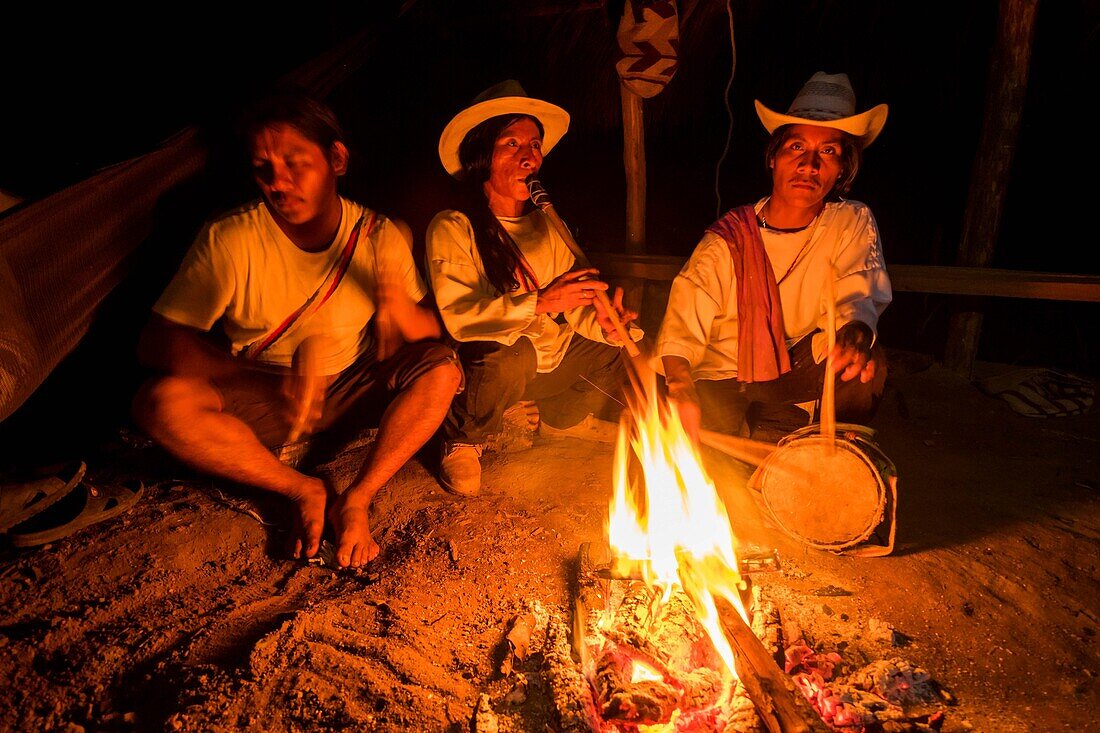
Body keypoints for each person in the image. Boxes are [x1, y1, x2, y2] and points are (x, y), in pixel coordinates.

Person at [131, 91, 463, 568]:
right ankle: (299, 487)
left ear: (337, 158)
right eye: (263, 168)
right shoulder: (230, 238)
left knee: (442, 371)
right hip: (268, 391)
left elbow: (423, 333)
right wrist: (266, 379)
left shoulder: (376, 234)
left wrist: (398, 313)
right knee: (159, 403)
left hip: (350, 383)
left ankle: (357, 497)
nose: (278, 183)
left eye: (295, 163)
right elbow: (157, 340)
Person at [425, 80, 642, 496]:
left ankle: (562, 417)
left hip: (545, 361)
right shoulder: (454, 226)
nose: (529, 156)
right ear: (481, 155)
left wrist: (605, 324)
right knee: (512, 354)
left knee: (613, 349)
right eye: (511, 144)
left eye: (535, 145)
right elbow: (460, 317)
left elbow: (574, 307)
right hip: (490, 367)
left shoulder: (548, 225)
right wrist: (543, 301)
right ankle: (463, 438)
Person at [658, 71, 893, 444]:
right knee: (712, 467)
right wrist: (681, 385)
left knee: (865, 363)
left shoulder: (849, 221)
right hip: (721, 376)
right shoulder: (730, 238)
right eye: (796, 147)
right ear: (774, 158)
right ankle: (768, 426)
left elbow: (857, 293)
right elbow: (682, 324)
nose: (809, 165)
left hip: (789, 369)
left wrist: (856, 333)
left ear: (842, 170)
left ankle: (836, 456)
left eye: (828, 152)